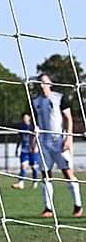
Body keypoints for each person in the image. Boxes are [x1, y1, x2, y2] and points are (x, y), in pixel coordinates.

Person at [32, 73, 82, 218]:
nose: (41, 85)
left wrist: (68, 138)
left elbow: (68, 118)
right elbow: (35, 121)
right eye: (39, 83)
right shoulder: (35, 101)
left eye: (44, 82)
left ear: (50, 84)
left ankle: (77, 206)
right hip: (44, 141)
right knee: (46, 175)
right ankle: (48, 208)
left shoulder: (59, 98)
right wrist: (34, 137)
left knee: (67, 172)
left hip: (59, 140)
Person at [11, 112, 39, 190]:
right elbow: (19, 138)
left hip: (33, 151)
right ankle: (21, 183)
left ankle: (35, 182)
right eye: (23, 118)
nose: (25, 119)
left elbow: (36, 138)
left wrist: (34, 146)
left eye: (26, 117)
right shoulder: (21, 127)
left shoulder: (34, 127)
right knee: (23, 166)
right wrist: (17, 149)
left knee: (34, 167)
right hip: (24, 150)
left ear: (29, 118)